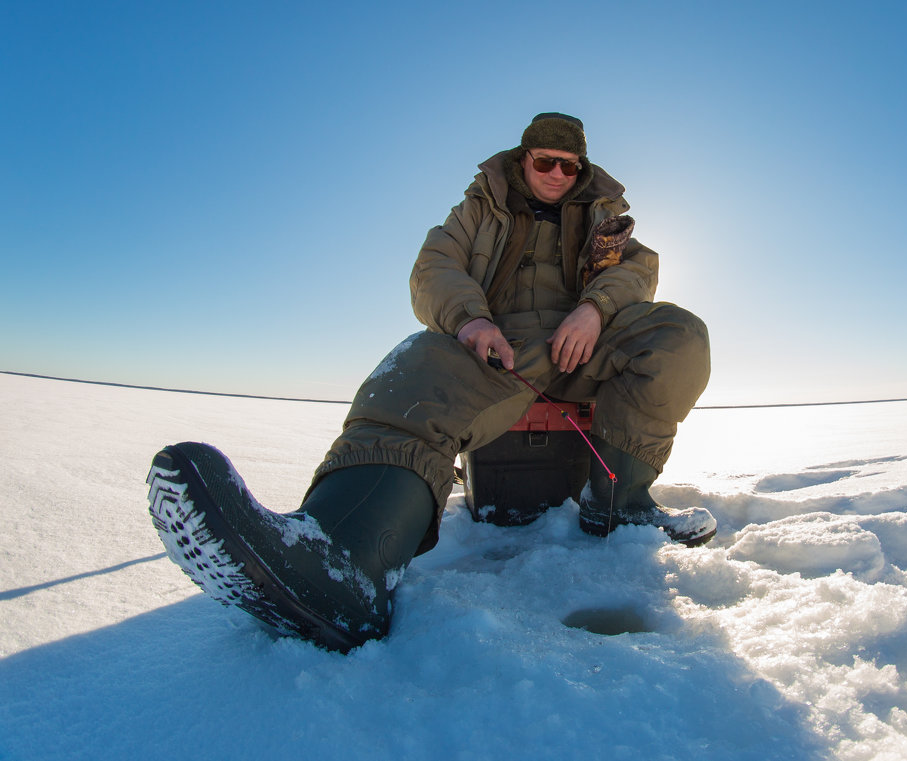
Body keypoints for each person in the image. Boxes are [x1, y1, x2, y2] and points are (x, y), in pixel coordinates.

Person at [146, 113, 715, 652]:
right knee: (415, 372)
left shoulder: (605, 214)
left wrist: (594, 309)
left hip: (587, 342)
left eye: (570, 167)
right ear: (523, 161)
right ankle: (341, 558)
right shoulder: (477, 209)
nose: (557, 176)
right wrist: (471, 320)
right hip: (502, 349)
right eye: (546, 162)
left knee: (678, 335)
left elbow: (638, 270)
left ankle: (619, 504)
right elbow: (434, 268)